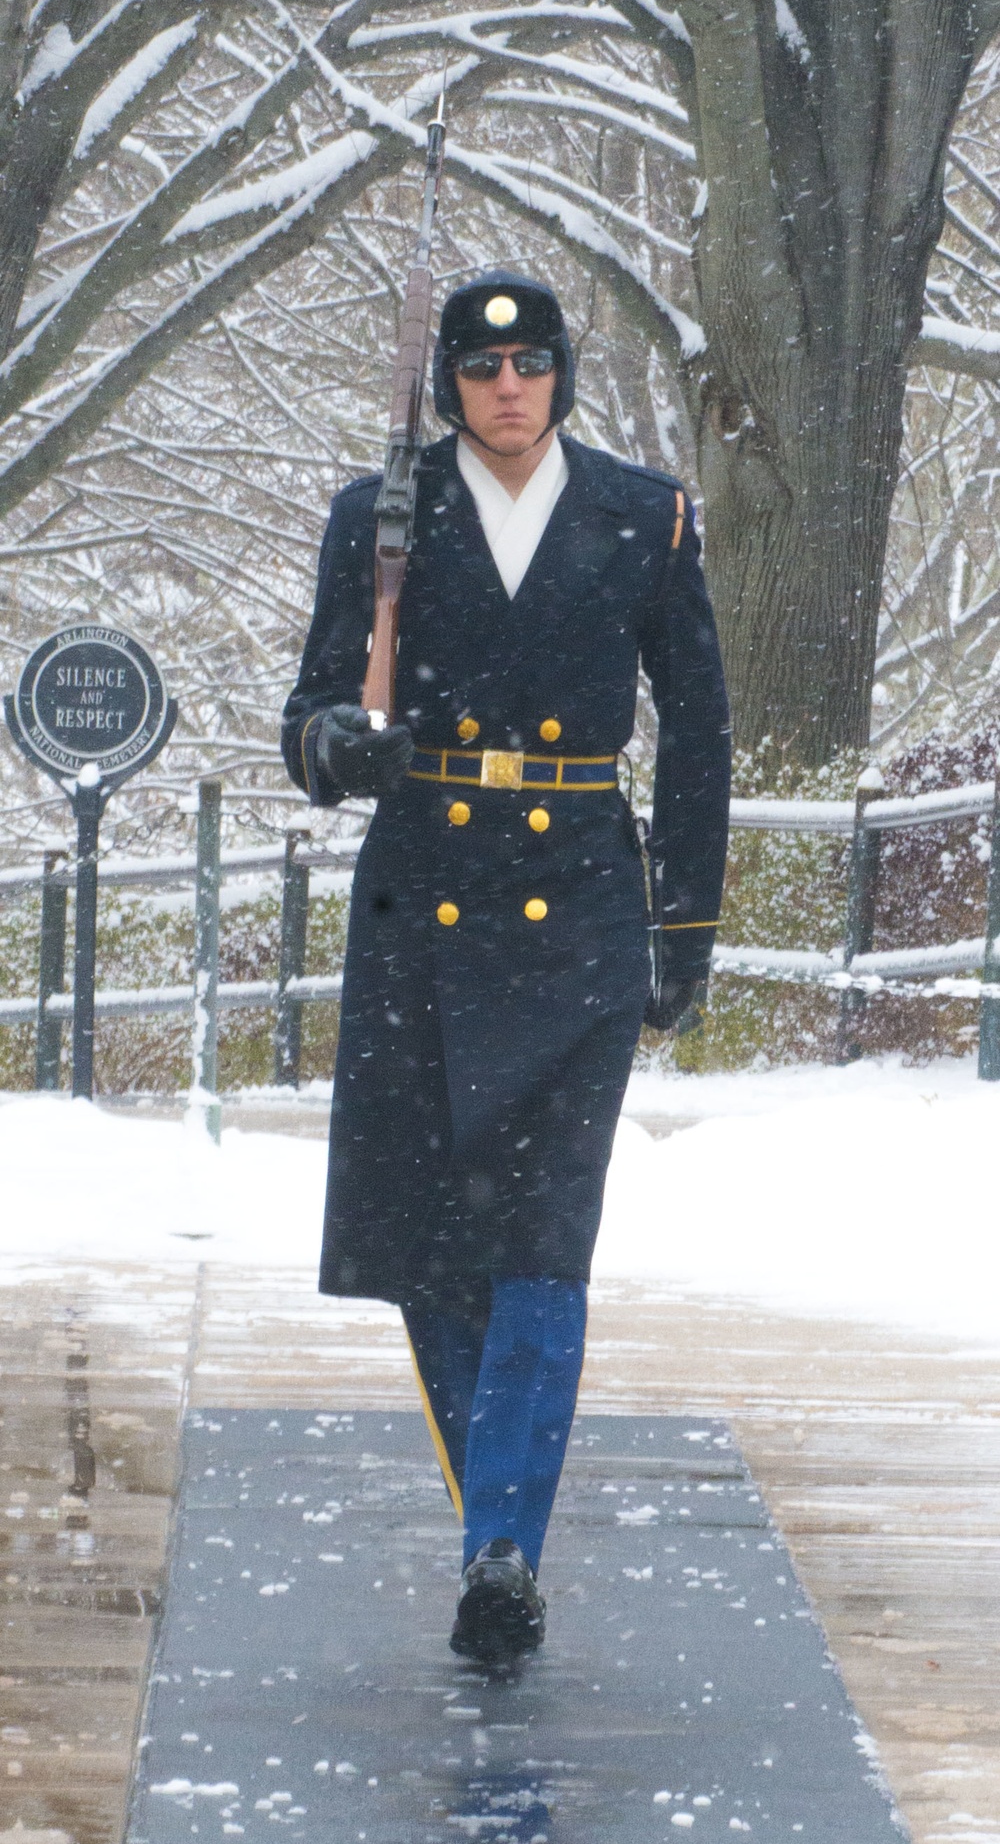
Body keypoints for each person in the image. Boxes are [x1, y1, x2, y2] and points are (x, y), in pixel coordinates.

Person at [282, 270, 730, 1663]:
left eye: (532, 362)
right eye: (483, 370)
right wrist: (336, 750)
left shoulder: (640, 514)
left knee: (543, 1241)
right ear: (453, 388)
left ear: (562, 375)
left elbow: (700, 725)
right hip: (424, 902)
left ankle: (501, 1550)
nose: (509, 387)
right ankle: (499, 1515)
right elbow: (311, 708)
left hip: (578, 912)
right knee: (431, 1246)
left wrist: (684, 922)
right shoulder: (384, 517)